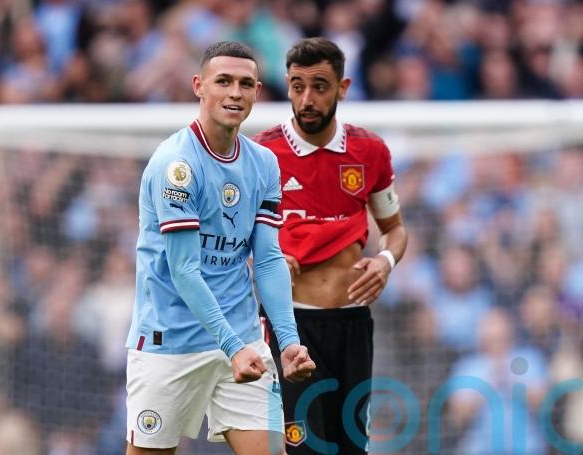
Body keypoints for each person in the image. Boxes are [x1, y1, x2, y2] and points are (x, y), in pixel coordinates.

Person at [125, 41, 316, 455]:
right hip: (170, 342)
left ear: (257, 92)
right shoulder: (176, 165)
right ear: (199, 86)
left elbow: (267, 259)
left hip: (243, 340)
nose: (235, 93)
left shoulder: (264, 163)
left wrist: (288, 342)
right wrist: (231, 347)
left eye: (245, 84)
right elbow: (184, 270)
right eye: (223, 81)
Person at [253, 37, 408, 455]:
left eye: (319, 86)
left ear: (342, 87)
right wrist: (266, 259)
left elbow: (395, 229)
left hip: (353, 323)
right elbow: (236, 237)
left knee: (351, 449)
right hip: (289, 325)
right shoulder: (262, 152)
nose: (307, 98)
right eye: (297, 86)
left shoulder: (369, 151)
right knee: (302, 449)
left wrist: (386, 261)